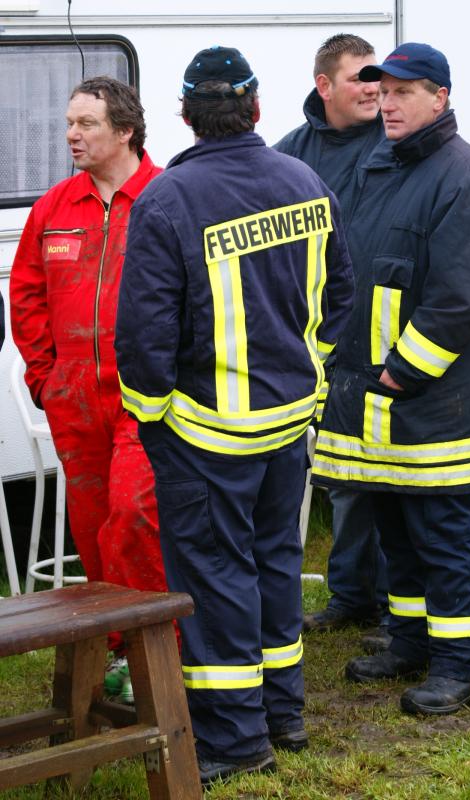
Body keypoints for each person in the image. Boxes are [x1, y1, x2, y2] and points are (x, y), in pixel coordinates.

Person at [115, 46, 353, 784]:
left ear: (185, 116)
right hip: (287, 425)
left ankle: (234, 736)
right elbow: (339, 296)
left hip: (203, 434)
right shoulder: (305, 181)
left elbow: (143, 337)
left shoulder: (168, 199)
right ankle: (285, 711)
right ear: (254, 109)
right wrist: (310, 383)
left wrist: (152, 420)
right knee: (277, 565)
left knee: (215, 581)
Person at [312, 42, 470, 715]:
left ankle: (461, 664)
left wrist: (401, 372)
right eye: (381, 91)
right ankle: (408, 640)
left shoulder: (461, 174)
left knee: (444, 534)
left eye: (402, 92)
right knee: (394, 527)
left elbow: (468, 290)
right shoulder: (376, 163)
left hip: (426, 402)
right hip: (371, 402)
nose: (386, 103)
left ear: (439, 98)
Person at [9, 76, 170, 703]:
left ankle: (153, 648)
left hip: (146, 398)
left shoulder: (164, 197)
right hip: (74, 397)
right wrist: (45, 377)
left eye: (87, 124)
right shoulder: (55, 207)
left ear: (124, 131)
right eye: (69, 124)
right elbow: (25, 295)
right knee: (94, 524)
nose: (72, 135)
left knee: (134, 516)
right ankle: (114, 650)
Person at [274, 33, 390, 645]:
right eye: (361, 77)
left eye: (379, 76)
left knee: (393, 478)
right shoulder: (292, 154)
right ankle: (351, 596)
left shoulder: (397, 141)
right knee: (343, 473)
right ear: (324, 86)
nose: (375, 88)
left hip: (386, 336)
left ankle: (400, 603)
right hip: (320, 339)